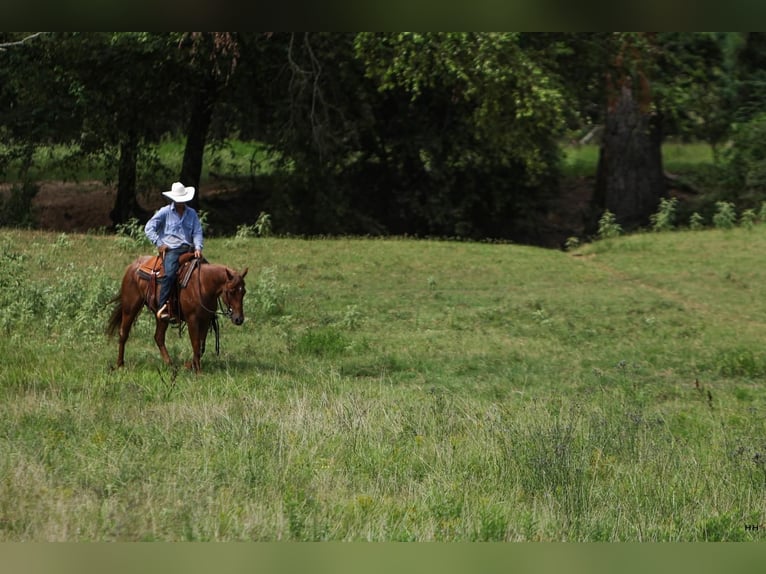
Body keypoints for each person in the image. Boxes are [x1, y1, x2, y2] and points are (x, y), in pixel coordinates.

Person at [144, 182, 204, 320]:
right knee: (170, 274)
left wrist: (198, 247)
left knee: (206, 272)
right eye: (178, 199)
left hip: (189, 249)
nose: (180, 202)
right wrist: (159, 243)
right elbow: (149, 227)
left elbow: (197, 232)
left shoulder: (192, 214)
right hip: (172, 250)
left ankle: (205, 306)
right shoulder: (165, 212)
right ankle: (162, 306)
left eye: (182, 199)